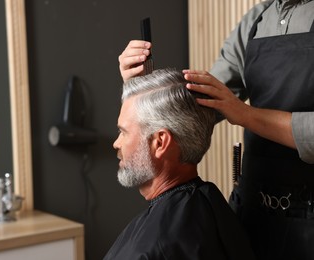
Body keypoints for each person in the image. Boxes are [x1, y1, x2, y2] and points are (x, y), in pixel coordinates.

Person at [118, 1, 314, 259]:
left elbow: (232, 108)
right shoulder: (256, 20)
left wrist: (245, 114)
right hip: (253, 212)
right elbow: (201, 105)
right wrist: (141, 90)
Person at [104, 68, 255, 260]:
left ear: (159, 142)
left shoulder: (153, 248)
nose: (116, 143)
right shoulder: (211, 206)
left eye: (123, 132)